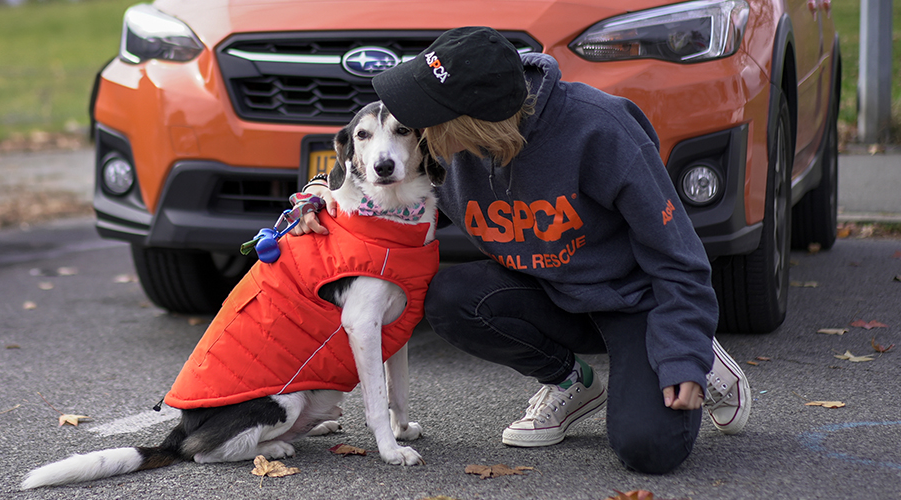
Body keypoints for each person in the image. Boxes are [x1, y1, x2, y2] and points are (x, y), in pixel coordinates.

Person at [297, 26, 750, 474]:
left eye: (425, 115)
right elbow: (382, 200)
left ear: (472, 121)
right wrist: (318, 193)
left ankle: (695, 348)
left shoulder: (601, 128)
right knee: (449, 297)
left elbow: (679, 257)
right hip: (546, 294)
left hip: (632, 303)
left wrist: (682, 354)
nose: (412, 129)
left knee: (648, 449)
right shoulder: (446, 150)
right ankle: (570, 382)